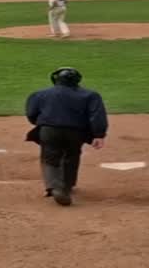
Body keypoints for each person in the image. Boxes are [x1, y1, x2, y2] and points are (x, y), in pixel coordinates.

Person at [25, 67, 108, 206]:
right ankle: (66, 187)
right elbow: (96, 116)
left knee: (49, 157)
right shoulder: (90, 95)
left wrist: (42, 123)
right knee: (72, 156)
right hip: (76, 132)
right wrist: (99, 134)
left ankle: (55, 187)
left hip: (49, 130)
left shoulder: (40, 94)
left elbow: (31, 113)